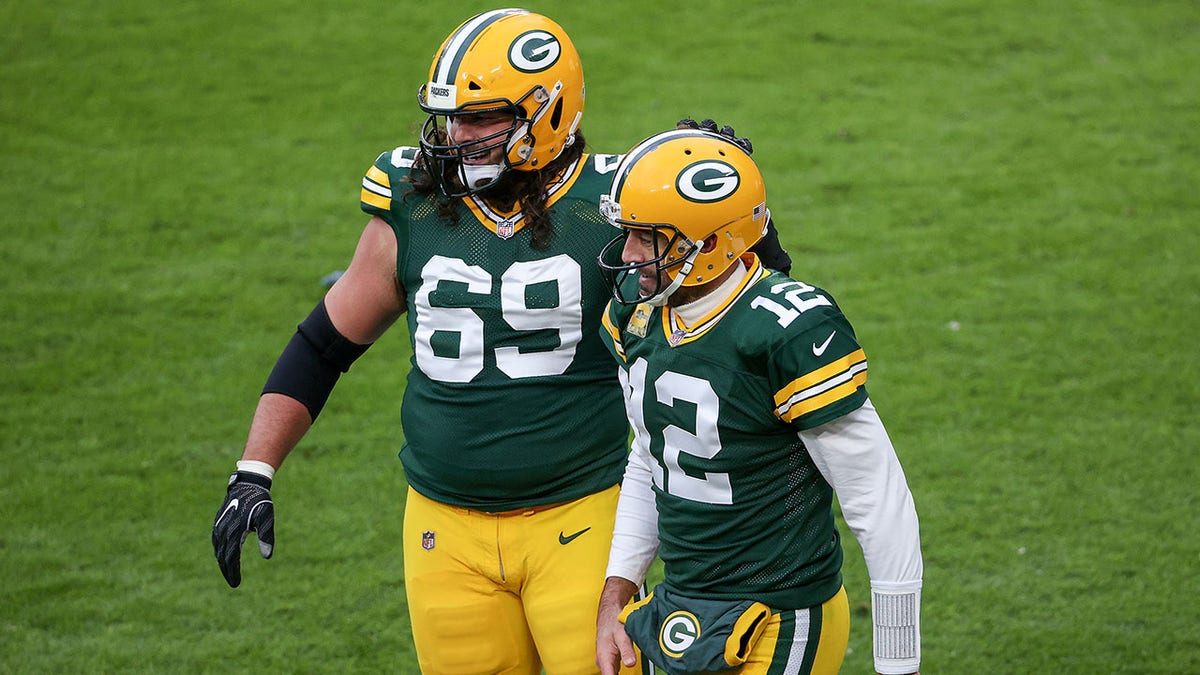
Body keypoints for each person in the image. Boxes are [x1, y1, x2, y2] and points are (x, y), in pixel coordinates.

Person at [210, 8, 789, 674]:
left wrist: (755, 230)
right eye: (452, 117)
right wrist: (254, 470)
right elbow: (322, 346)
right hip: (443, 531)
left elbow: (737, 319)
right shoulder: (414, 202)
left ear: (546, 112)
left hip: (582, 515)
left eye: (482, 117)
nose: (458, 135)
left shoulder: (612, 207)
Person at [593, 128, 923, 675]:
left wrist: (898, 662)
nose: (628, 254)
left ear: (711, 243)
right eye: (628, 233)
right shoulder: (639, 314)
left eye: (646, 238)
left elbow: (878, 499)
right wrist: (616, 594)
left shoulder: (785, 328)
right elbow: (652, 455)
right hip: (681, 604)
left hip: (782, 612)